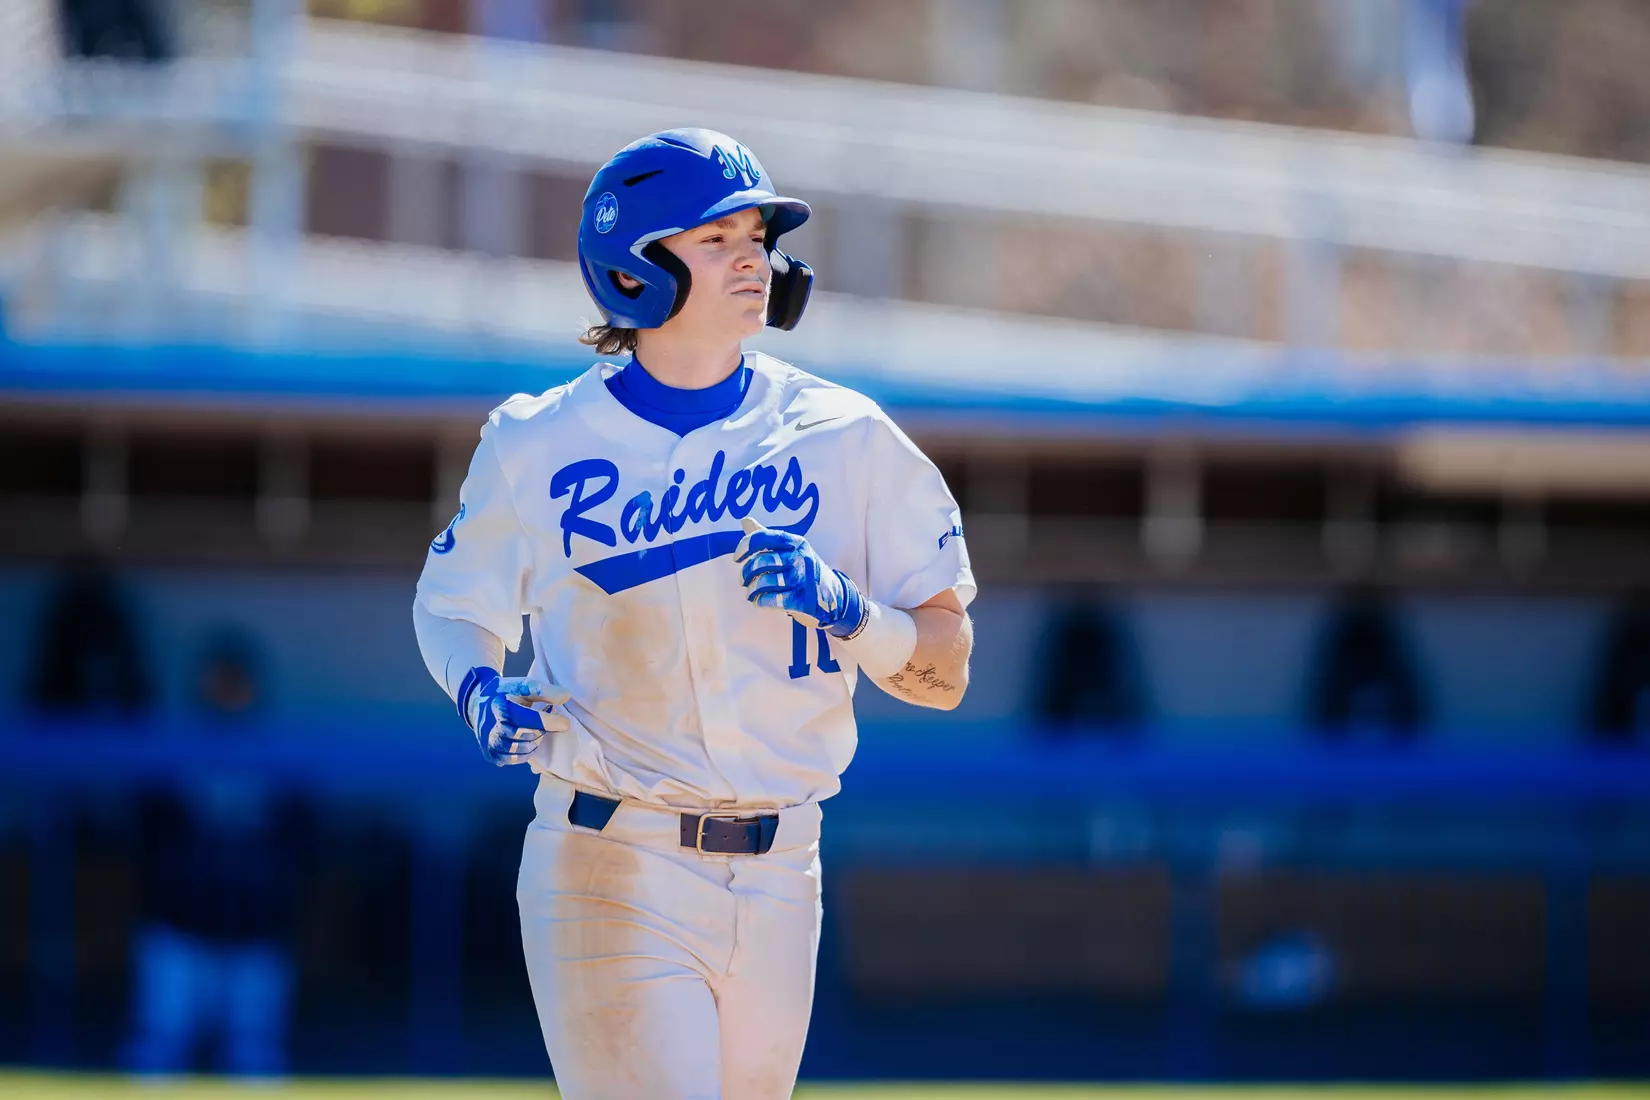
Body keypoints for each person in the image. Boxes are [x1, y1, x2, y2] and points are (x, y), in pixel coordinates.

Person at [412, 128, 975, 1099]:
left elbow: (946, 665)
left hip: (783, 865)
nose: (754, 257)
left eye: (759, 236)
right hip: (612, 853)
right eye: (718, 238)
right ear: (636, 266)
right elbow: (450, 605)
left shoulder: (845, 436)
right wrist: (477, 688)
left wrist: (855, 614)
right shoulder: (536, 443)